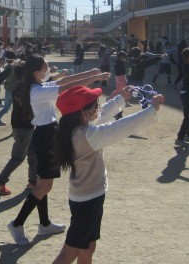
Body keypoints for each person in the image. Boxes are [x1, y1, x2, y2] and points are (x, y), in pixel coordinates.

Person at [52, 85, 163, 263]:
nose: (99, 108)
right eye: (96, 105)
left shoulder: (75, 128)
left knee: (88, 247)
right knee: (70, 252)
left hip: (89, 197)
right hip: (87, 201)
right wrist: (151, 109)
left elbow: (102, 114)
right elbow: (119, 127)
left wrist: (121, 98)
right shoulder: (86, 135)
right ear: (85, 113)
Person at [7, 55, 109, 247]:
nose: (48, 70)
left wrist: (91, 73)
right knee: (44, 186)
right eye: (45, 67)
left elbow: (65, 81)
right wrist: (95, 77)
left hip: (46, 135)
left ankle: (44, 224)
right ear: (36, 72)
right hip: (45, 137)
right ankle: (17, 223)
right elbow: (67, 87)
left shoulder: (38, 86)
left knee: (42, 184)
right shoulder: (37, 91)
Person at [0, 64, 38, 195]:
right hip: (23, 128)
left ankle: (33, 181)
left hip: (25, 127)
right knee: (17, 158)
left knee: (33, 155)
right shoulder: (23, 88)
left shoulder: (22, 86)